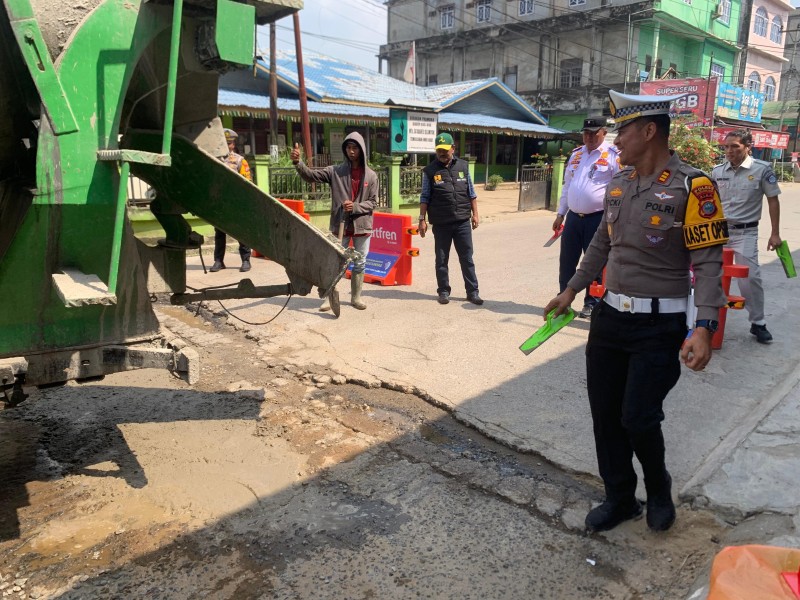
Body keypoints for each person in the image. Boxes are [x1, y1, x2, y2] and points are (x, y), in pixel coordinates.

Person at [544, 90, 728, 533]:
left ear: (648, 131)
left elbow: (708, 264)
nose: (614, 140)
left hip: (659, 325)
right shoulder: (620, 183)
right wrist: (571, 289)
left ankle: (658, 488)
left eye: (622, 131)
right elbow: (600, 244)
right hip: (609, 318)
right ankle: (620, 497)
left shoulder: (694, 186)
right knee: (606, 415)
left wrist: (704, 327)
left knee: (638, 416)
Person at [291, 132, 377, 310]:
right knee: (335, 261)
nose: (351, 151)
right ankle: (329, 297)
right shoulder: (335, 172)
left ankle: (356, 298)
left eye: (355, 148)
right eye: (348, 148)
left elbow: (373, 202)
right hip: (341, 224)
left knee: (360, 262)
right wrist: (298, 163)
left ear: (361, 150)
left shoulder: (371, 175)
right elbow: (310, 176)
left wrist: (355, 207)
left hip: (362, 226)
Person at [711, 130, 782, 344]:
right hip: (719, 232)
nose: (729, 151)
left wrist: (775, 233)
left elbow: (773, 200)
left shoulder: (762, 170)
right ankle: (707, 319)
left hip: (745, 232)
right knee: (708, 274)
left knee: (750, 279)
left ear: (748, 147)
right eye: (726, 147)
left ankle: (758, 323)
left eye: (735, 147)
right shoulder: (716, 171)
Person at [553, 117, 621, 318]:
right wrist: (560, 214)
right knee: (567, 261)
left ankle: (592, 302)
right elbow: (567, 187)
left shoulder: (613, 156)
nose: (589, 137)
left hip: (598, 218)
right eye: (586, 133)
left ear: (604, 132)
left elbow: (620, 188)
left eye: (594, 133)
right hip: (574, 217)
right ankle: (563, 298)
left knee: (594, 262)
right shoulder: (576, 155)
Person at [418, 132, 482, 305]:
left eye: (445, 150)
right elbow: (424, 196)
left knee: (467, 258)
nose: (442, 154)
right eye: (439, 150)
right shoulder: (430, 171)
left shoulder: (463, 166)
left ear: (453, 148)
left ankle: (472, 291)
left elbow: (471, 193)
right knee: (441, 259)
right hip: (441, 223)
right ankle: (444, 291)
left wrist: (475, 214)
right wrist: (421, 219)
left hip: (462, 221)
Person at [210, 128, 253, 273]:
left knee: (242, 233)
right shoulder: (212, 160)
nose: (227, 146)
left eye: (229, 143)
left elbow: (248, 185)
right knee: (219, 234)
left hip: (237, 204)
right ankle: (218, 261)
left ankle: (246, 260)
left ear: (233, 145)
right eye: (224, 143)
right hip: (220, 204)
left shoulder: (240, 161)